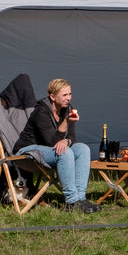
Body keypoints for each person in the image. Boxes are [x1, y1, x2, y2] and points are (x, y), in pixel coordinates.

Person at [12, 78, 101, 214]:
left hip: (48, 151)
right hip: (27, 151)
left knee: (82, 148)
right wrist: (65, 122)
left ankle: (80, 199)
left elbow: (71, 137)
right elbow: (51, 143)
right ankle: (72, 202)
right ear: (52, 97)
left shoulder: (68, 109)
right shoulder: (41, 112)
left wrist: (66, 141)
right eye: (65, 95)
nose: (69, 98)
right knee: (64, 153)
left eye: (70, 94)